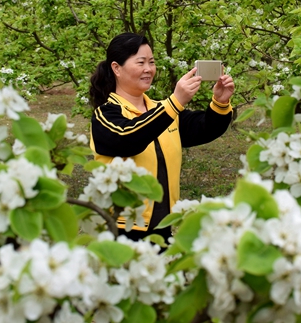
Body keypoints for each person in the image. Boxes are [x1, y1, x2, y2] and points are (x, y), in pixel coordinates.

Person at [88, 33, 234, 242]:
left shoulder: (162, 111)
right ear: (116, 68)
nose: (148, 69)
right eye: (141, 62)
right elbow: (128, 138)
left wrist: (220, 102)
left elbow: (205, 128)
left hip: (164, 227)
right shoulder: (105, 114)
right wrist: (175, 102)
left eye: (152, 62)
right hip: (122, 227)